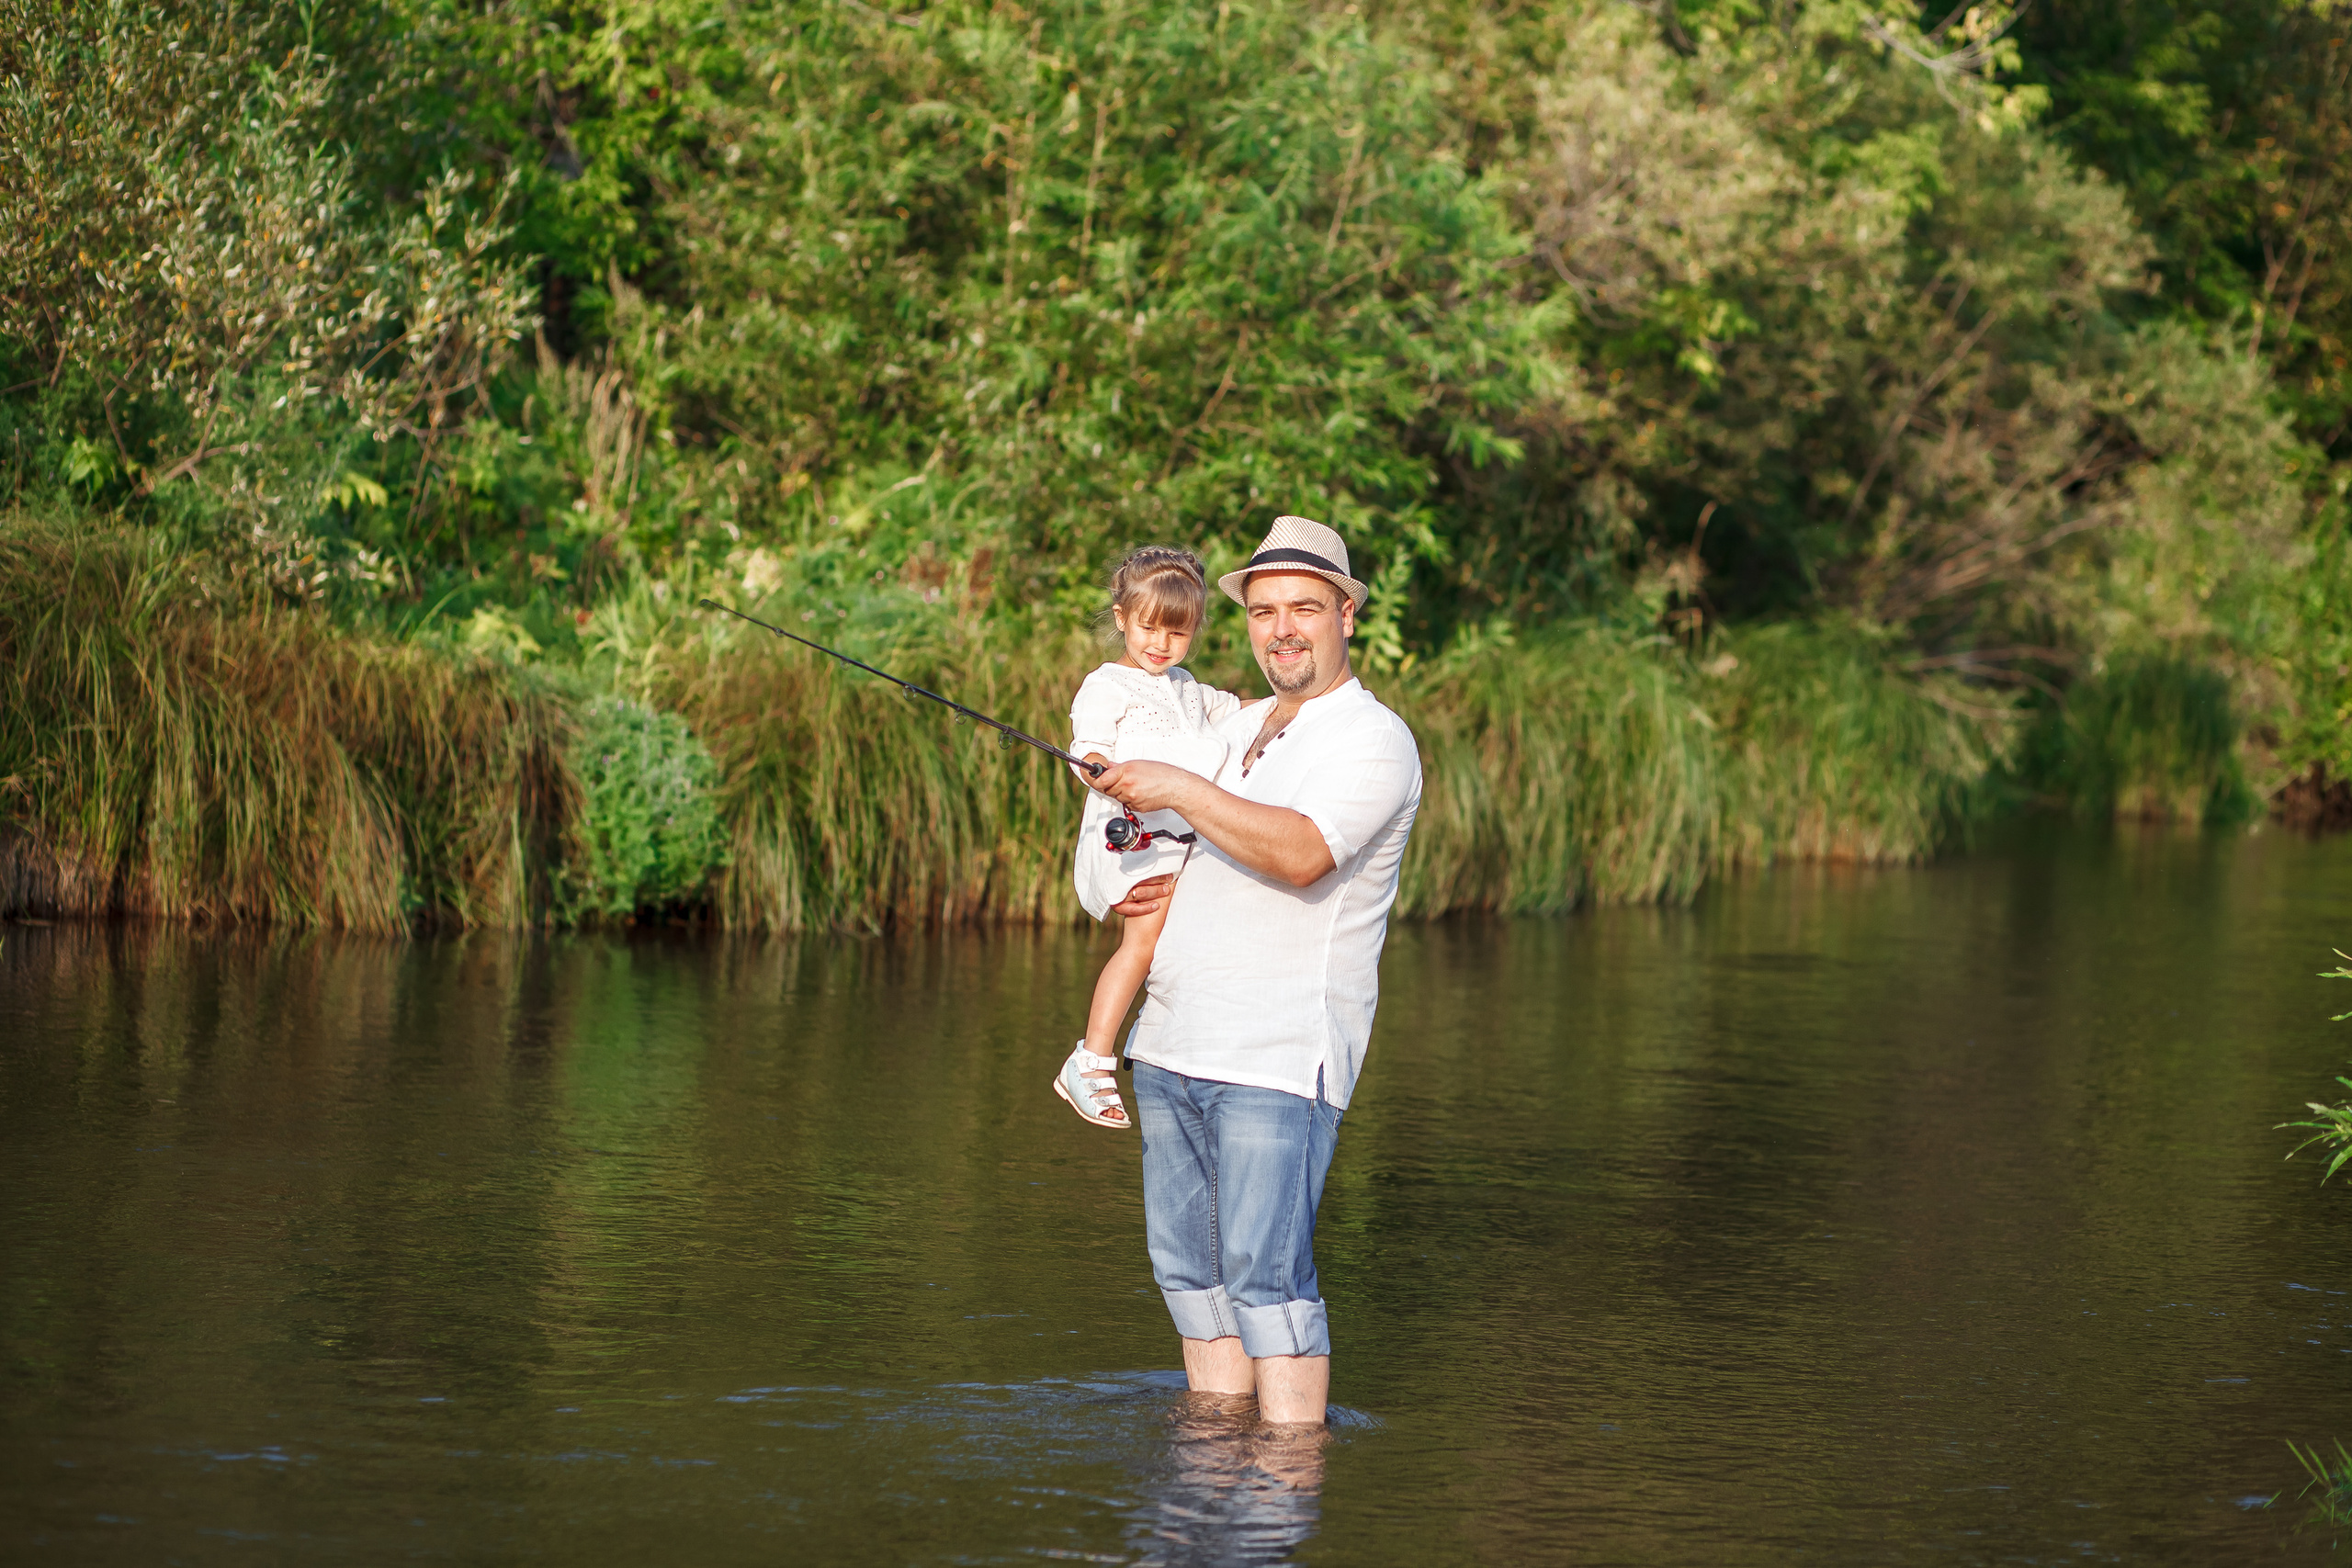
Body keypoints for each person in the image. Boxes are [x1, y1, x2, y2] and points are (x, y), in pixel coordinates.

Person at [1089, 515, 1422, 1426]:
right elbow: (1150, 783)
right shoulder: (1233, 726)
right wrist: (1126, 867)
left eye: (1304, 608)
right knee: (1190, 1276)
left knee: (1267, 1280)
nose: (1282, 628)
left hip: (1277, 1061)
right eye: (1264, 610)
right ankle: (1212, 1468)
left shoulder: (1372, 738)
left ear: (1347, 613)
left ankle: (1279, 1495)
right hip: (1168, 1047)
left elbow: (1304, 853)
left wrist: (1176, 787)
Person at [1053, 547, 1242, 1129]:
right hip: (1128, 837)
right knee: (1143, 942)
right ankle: (1090, 1059)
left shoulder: (1187, 688)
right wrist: (1092, 763)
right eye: (1148, 627)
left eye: (1177, 632)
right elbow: (1088, 746)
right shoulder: (1108, 684)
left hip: (1178, 839)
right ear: (1121, 619)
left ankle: (1157, 1039)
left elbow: (1236, 711)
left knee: (1171, 941)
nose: (1161, 643)